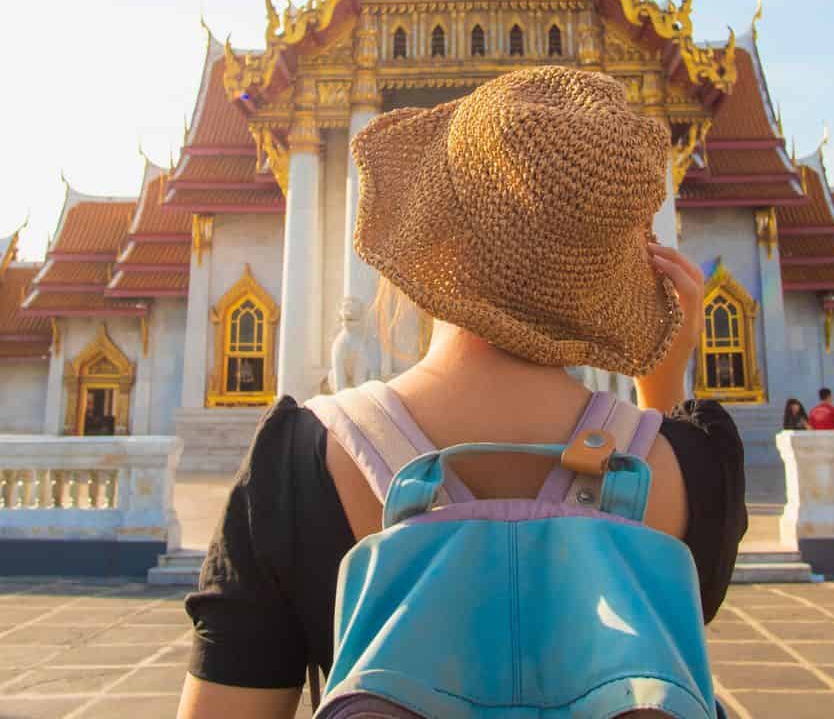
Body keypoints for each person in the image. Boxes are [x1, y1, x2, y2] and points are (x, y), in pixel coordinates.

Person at [178, 68, 748, 718]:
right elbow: (660, 626)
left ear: (431, 238)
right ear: (608, 277)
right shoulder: (692, 470)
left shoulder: (297, 462)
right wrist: (663, 385)